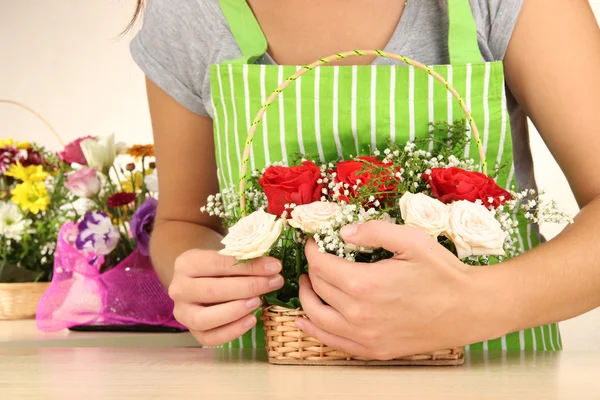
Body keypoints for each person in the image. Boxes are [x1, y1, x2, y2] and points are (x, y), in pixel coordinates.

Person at [129, 0, 600, 358]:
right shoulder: (189, 12)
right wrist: (205, 284)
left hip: (490, 381)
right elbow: (183, 221)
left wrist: (480, 304)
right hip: (272, 382)